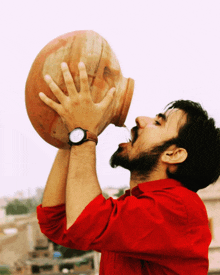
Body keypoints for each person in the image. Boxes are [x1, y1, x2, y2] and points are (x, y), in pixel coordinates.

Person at [37, 62, 220, 274]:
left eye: (158, 123)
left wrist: (83, 131)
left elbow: (83, 221)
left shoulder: (181, 209)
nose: (140, 119)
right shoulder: (132, 210)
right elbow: (56, 222)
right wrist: (72, 130)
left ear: (173, 154)